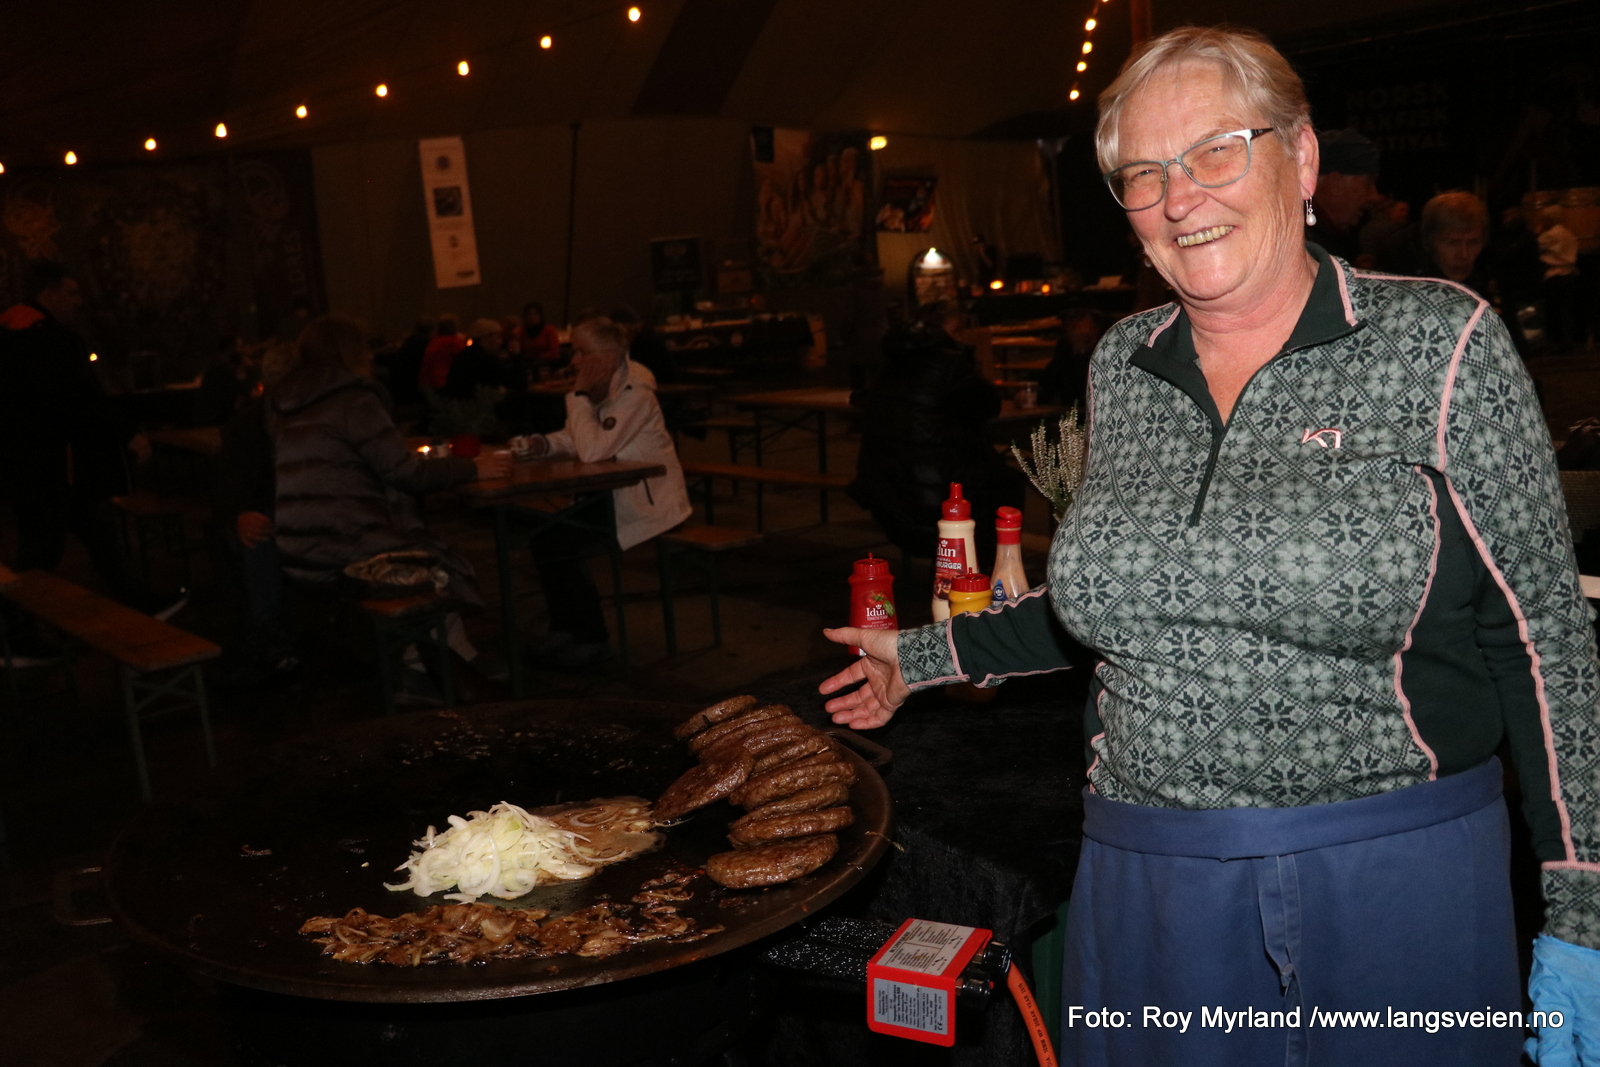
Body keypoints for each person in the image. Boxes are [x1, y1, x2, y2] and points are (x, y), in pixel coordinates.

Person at [820, 26, 1599, 1067]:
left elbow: (1541, 634)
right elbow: (1114, 600)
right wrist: (916, 656)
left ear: (1302, 158)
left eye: (1215, 151)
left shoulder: (1437, 341)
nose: (1180, 196)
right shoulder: (1122, 365)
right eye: (1142, 174)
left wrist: (1582, 903)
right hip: (1148, 881)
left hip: (1391, 875)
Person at [267, 314, 510, 606]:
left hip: (298, 550)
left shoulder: (287, 406)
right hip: (346, 548)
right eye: (363, 346)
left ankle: (433, 648)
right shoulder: (353, 400)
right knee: (445, 566)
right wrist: (472, 468)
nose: (370, 354)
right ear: (349, 352)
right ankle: (442, 647)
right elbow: (407, 473)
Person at [0, 261, 179, 638]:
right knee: (41, 554)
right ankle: (13, 631)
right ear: (48, 295)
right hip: (58, 467)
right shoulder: (54, 340)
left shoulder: (7, 335)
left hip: (25, 464)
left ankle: (140, 602)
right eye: (72, 293)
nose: (78, 301)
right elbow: (85, 400)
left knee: (101, 536)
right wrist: (128, 434)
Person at [513, 316, 690, 668]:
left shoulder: (634, 394)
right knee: (546, 539)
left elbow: (594, 450)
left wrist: (576, 393)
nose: (574, 360)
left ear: (606, 356)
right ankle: (568, 628)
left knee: (561, 543)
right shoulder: (608, 386)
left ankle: (592, 639)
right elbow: (579, 435)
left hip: (646, 502)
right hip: (612, 494)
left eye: (581, 352)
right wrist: (543, 445)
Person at [847, 310, 1025, 571]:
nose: (962, 337)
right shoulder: (949, 365)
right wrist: (970, 359)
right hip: (933, 499)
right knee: (1008, 483)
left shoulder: (886, 368)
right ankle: (997, 570)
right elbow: (988, 405)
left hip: (885, 496)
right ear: (938, 333)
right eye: (956, 331)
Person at [1379, 191, 1491, 294]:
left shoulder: (1489, 272)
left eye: (1473, 242)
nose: (1464, 255)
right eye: (1453, 243)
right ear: (1428, 241)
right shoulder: (1396, 279)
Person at [1306, 127, 1381, 264]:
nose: (1375, 197)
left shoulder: (1328, 238)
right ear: (1335, 183)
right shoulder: (1297, 244)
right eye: (1368, 183)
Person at [1535, 205, 1584, 350]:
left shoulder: (1549, 235)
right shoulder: (1569, 234)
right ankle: (1567, 340)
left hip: (1554, 275)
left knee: (1552, 310)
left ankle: (1555, 340)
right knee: (1565, 309)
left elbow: (1536, 245)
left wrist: (1538, 231)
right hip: (1569, 275)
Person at [417, 313, 465, 393]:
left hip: (426, 385)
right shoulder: (453, 342)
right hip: (441, 385)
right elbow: (466, 358)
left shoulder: (434, 341)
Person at [515, 302, 561, 370]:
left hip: (546, 365)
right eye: (529, 314)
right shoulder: (521, 332)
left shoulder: (548, 330)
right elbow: (515, 350)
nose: (532, 317)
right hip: (527, 365)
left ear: (540, 316)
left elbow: (554, 352)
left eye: (535, 314)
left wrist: (538, 357)